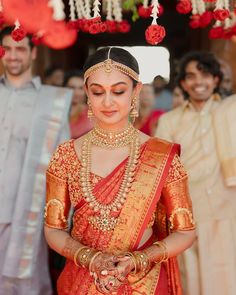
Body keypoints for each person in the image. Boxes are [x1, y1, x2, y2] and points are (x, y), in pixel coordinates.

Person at [44, 47, 196, 295]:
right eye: (97, 92)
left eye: (118, 91)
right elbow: (53, 229)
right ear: (86, 93)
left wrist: (139, 260)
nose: (107, 102)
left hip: (144, 283)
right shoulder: (65, 155)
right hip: (81, 283)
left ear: (136, 91)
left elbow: (185, 232)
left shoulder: (161, 156)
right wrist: (89, 258)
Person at [156, 51, 236, 295]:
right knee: (191, 278)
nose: (198, 82)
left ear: (215, 80)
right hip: (187, 213)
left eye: (205, 75)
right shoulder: (170, 121)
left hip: (227, 208)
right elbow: (160, 169)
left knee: (227, 276)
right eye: (191, 76)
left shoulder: (229, 113)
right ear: (182, 83)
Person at [0, 27, 72, 294]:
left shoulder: (50, 102)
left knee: (24, 285)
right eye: (7, 48)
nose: (13, 56)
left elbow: (62, 162)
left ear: (33, 52)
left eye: (20, 49)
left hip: (25, 210)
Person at [64, 70, 93, 139]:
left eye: (81, 88)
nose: (76, 93)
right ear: (64, 88)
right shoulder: (57, 110)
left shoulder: (92, 113)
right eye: (72, 88)